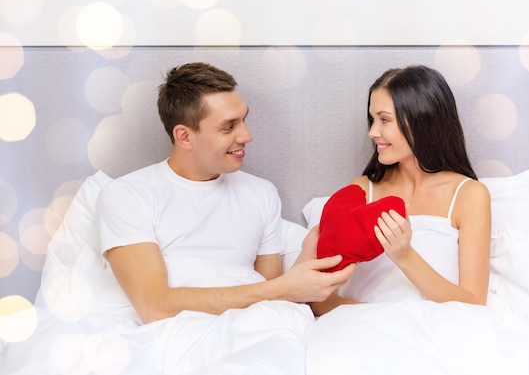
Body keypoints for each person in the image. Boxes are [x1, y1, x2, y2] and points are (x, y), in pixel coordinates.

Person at [95, 62, 355, 373]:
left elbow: (270, 292)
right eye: (228, 126)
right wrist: (285, 287)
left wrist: (303, 267)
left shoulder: (260, 193)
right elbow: (155, 306)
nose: (247, 135)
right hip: (185, 336)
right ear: (185, 136)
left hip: (266, 330)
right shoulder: (129, 195)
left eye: (244, 119)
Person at [309, 65, 491, 316]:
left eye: (384, 120)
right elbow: (319, 299)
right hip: (362, 328)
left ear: (422, 121)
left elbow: (473, 304)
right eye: (372, 119)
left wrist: (404, 256)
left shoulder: (469, 195)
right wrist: (384, 318)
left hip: (438, 331)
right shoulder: (360, 192)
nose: (373, 132)